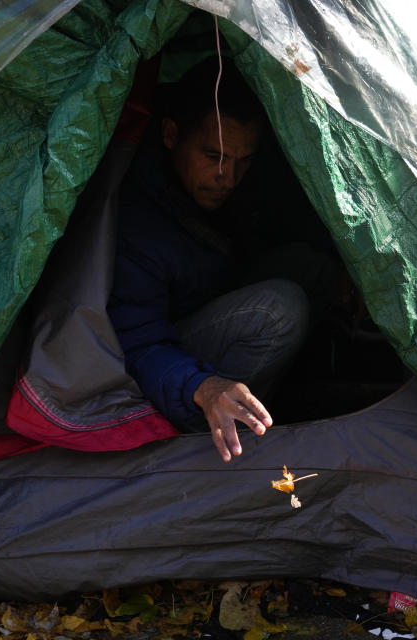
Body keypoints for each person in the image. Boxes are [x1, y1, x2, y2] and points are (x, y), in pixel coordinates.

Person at [106, 57, 313, 463]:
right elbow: (135, 342)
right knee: (278, 311)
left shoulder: (218, 185)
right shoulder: (137, 220)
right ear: (170, 134)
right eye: (213, 156)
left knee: (311, 268)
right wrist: (203, 386)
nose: (228, 177)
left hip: (203, 302)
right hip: (160, 362)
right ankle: (213, 434)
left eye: (243, 161)